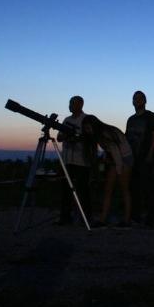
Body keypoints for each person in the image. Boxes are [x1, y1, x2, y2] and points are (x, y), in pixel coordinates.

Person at [84, 115, 134, 228]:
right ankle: (103, 219)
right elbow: (111, 151)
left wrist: (119, 170)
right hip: (115, 159)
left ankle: (127, 220)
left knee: (124, 188)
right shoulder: (99, 135)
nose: (87, 131)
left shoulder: (105, 133)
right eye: (86, 129)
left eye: (88, 128)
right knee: (108, 189)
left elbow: (116, 152)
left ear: (94, 125)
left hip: (125, 158)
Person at [55, 95, 92, 225]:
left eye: (72, 103)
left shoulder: (86, 120)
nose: (70, 105)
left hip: (82, 161)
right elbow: (59, 137)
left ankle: (85, 218)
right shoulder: (66, 120)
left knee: (83, 191)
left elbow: (90, 138)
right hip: (67, 161)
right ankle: (65, 217)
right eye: (70, 103)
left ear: (80, 105)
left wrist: (76, 138)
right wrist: (66, 136)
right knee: (66, 190)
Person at [126, 90, 154, 227]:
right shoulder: (131, 119)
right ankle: (136, 216)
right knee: (134, 188)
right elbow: (127, 138)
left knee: (148, 188)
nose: (137, 100)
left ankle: (151, 218)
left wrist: (151, 153)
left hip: (145, 156)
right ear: (132, 102)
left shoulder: (151, 117)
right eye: (135, 98)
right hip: (133, 159)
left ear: (145, 101)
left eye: (140, 98)